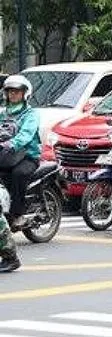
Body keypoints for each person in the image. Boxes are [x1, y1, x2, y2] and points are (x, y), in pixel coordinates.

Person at [0, 74, 39, 272]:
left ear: (25, 94)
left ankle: (17, 213)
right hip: (6, 154)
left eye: (16, 92)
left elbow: (26, 134)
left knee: (17, 174)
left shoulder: (30, 114)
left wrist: (12, 144)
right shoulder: (3, 112)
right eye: (10, 91)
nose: (13, 95)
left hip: (26, 156)